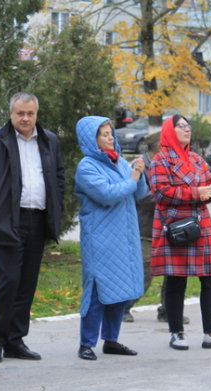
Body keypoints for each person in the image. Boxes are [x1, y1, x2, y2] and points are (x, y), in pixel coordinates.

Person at [0, 92, 65, 363]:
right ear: (11, 114)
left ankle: (16, 340)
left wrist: (56, 204)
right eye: (20, 113)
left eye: (30, 113)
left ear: (36, 114)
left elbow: (58, 176)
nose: (25, 118)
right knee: (8, 281)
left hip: (39, 220)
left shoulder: (49, 140)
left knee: (27, 283)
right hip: (8, 220)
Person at [150, 115, 211, 351]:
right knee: (176, 279)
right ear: (170, 131)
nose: (187, 129)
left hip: (201, 224)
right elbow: (160, 192)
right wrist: (195, 193)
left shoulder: (197, 159)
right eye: (181, 126)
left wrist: (208, 193)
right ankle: (176, 332)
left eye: (188, 126)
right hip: (176, 225)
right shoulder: (160, 160)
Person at [74, 116, 147, 360]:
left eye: (111, 133)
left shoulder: (120, 163)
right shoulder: (87, 167)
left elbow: (139, 193)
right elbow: (107, 195)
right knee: (98, 291)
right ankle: (86, 343)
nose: (110, 138)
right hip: (100, 240)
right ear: (91, 139)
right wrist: (133, 178)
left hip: (124, 236)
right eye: (104, 134)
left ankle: (111, 340)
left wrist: (140, 173)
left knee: (120, 289)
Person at [122, 141, 189, 325]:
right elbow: (143, 197)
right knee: (144, 271)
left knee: (174, 271)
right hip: (146, 228)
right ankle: (123, 308)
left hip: (173, 227)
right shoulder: (140, 165)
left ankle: (168, 311)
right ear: (160, 146)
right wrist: (174, 197)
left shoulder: (172, 164)